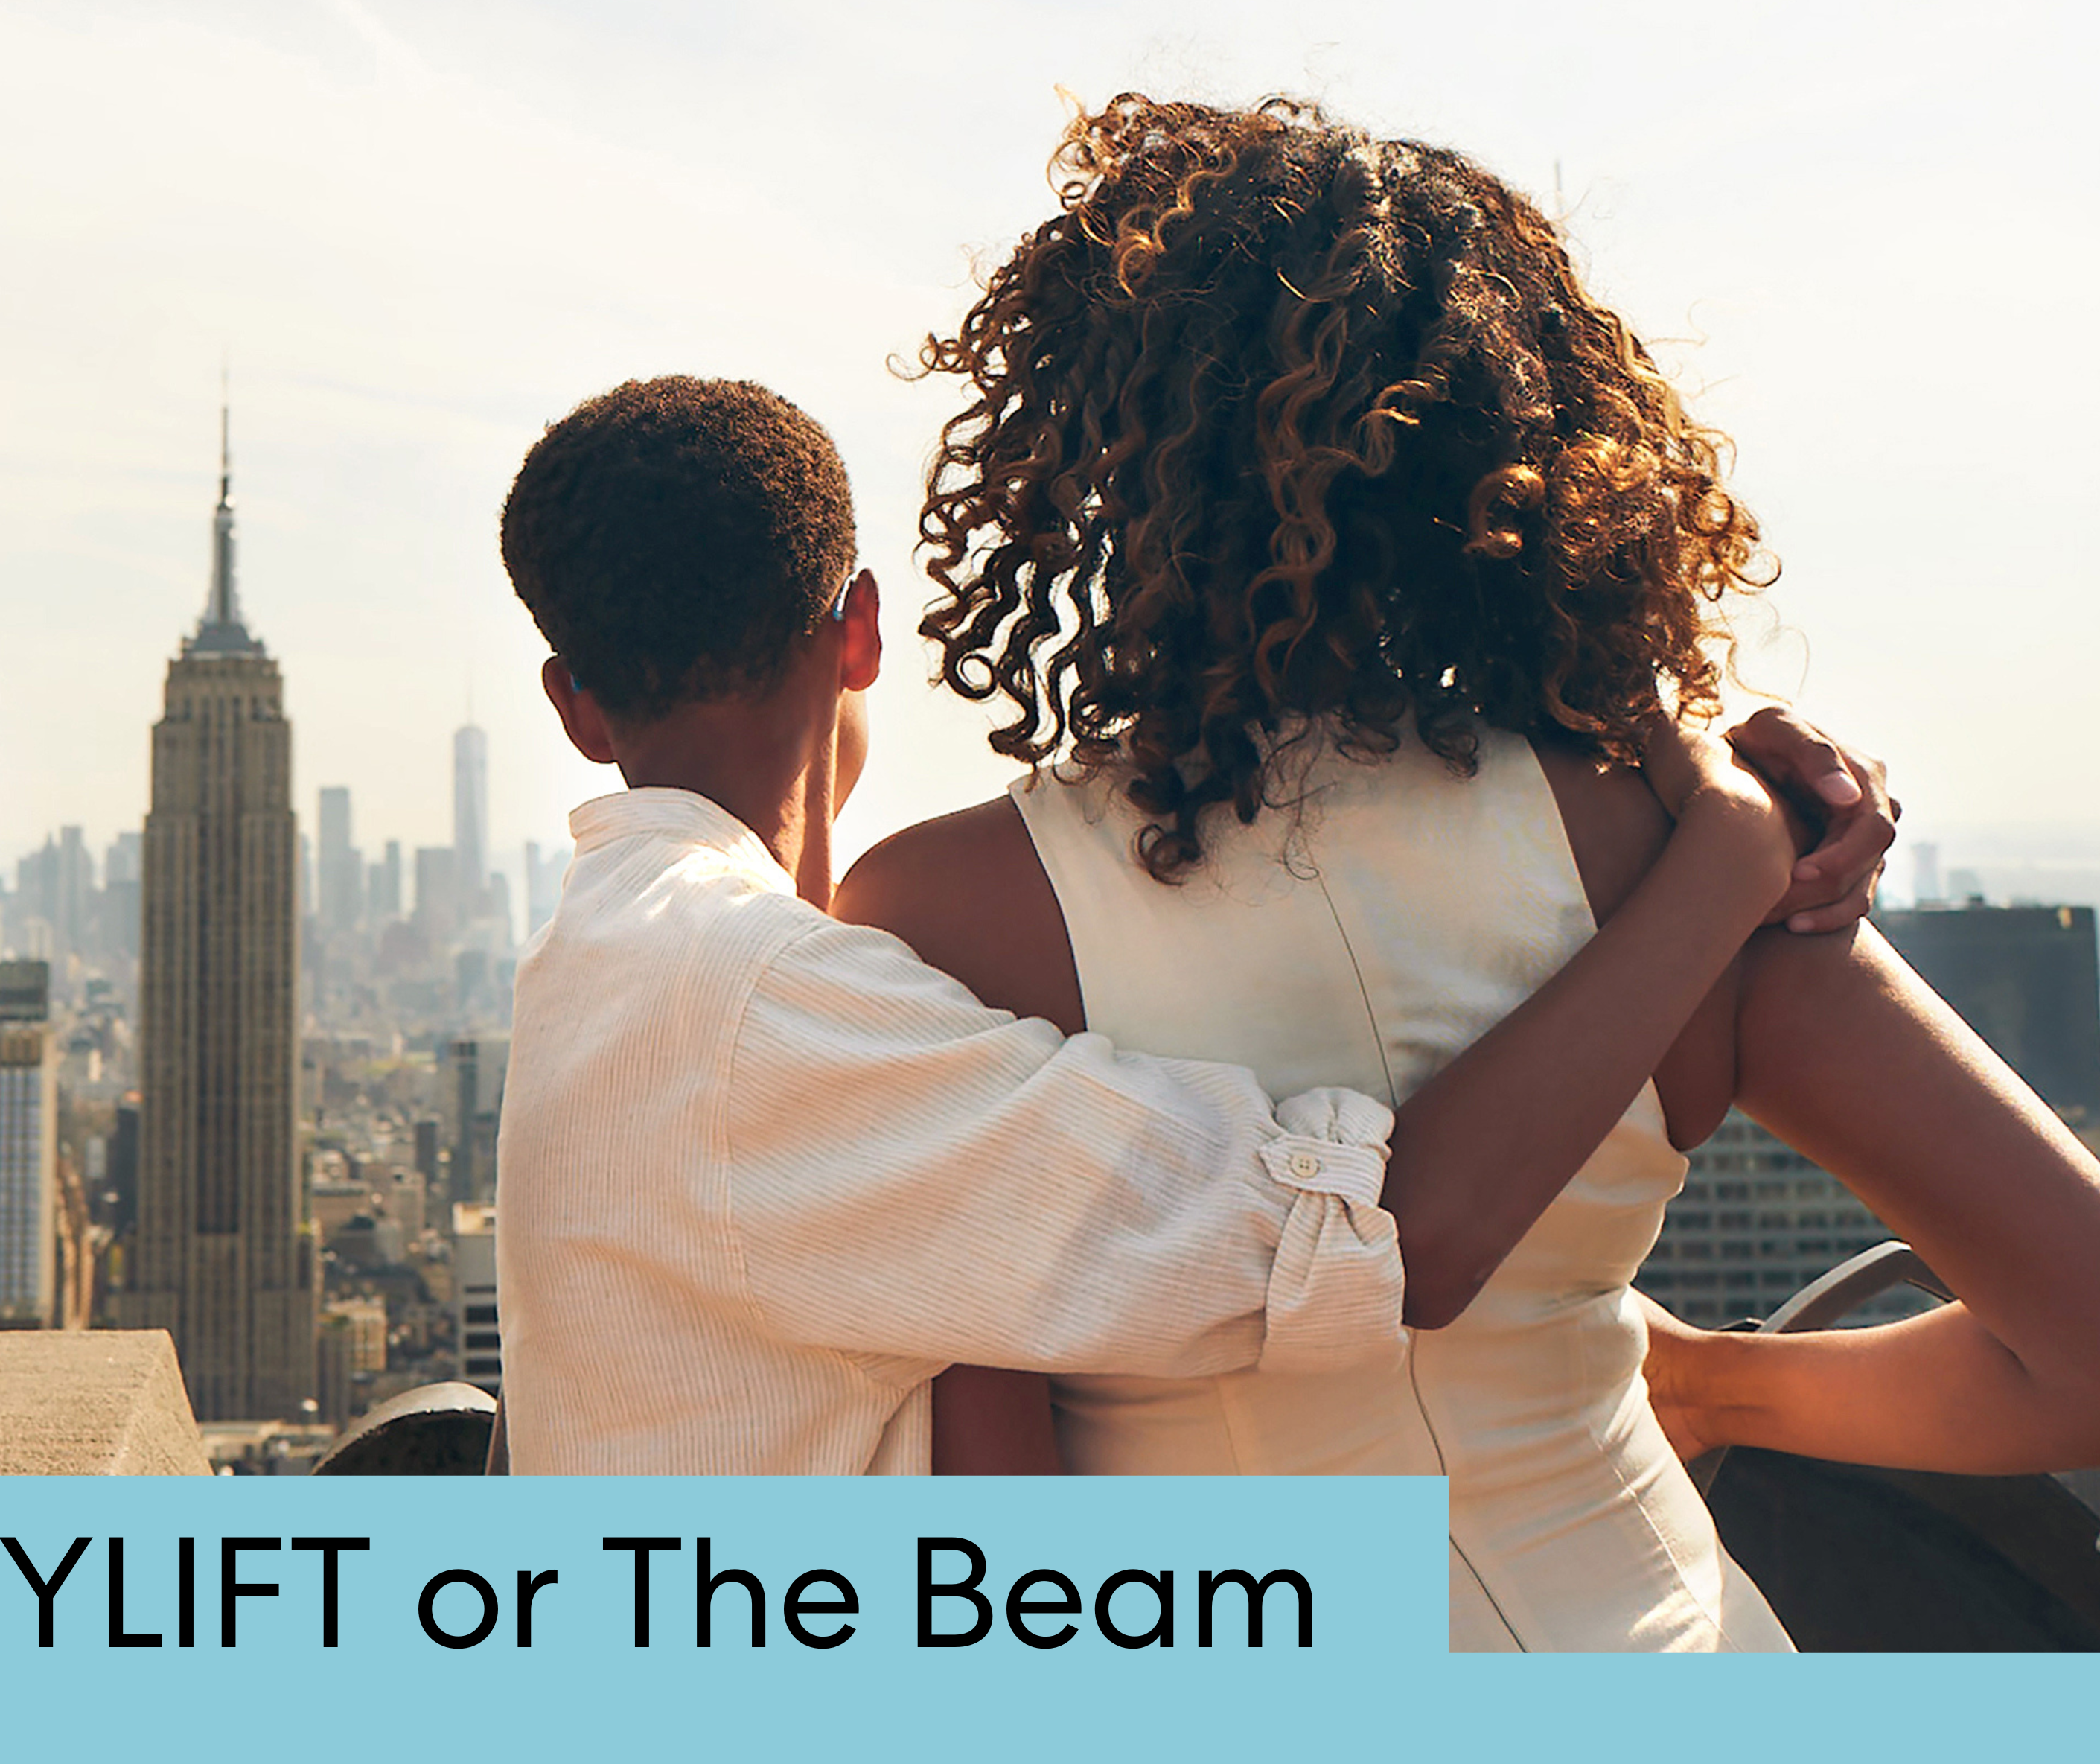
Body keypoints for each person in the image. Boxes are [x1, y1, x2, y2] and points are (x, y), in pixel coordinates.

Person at [836, 92, 2100, 1649]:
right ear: (1532, 452)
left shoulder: (940, 914)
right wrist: (1712, 1380)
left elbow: (988, 1534)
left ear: (1104, 468)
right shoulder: (1683, 840)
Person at [493, 372, 1892, 1479]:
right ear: (859, 631)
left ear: (576, 707)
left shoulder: (604, 971)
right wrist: (1728, 846)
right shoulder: (771, 1017)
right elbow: (1391, 1238)